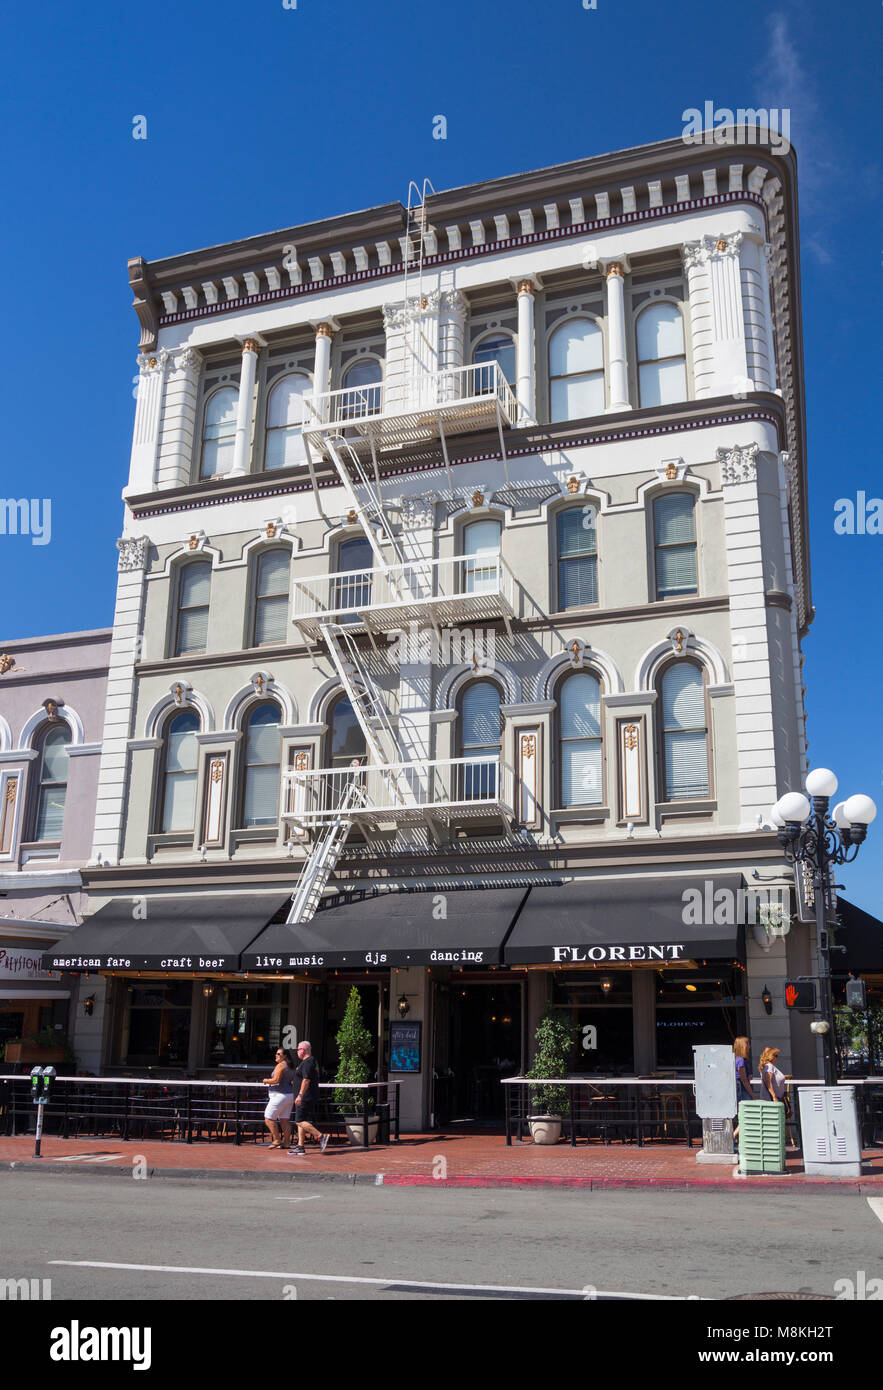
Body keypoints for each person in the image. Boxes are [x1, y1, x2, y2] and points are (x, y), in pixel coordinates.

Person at [288, 1040, 329, 1155]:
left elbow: (306, 1080)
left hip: (305, 1097)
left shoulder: (308, 1062)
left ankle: (321, 1136)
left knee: (300, 1120)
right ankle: (300, 1146)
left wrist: (300, 1095)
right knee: (301, 1121)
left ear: (304, 1050)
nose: (297, 1051)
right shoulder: (307, 1062)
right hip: (303, 1096)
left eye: (298, 1049)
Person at [262, 1047, 296, 1149]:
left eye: (279, 1054)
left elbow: (276, 1080)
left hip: (279, 1095)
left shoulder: (280, 1066)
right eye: (276, 1054)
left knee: (268, 1118)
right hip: (289, 1095)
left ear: (285, 1056)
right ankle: (286, 1142)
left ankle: (277, 1139)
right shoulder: (290, 1066)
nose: (276, 1055)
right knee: (285, 1120)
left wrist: (266, 1080)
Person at [759, 1046, 791, 1115]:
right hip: (771, 1100)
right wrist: (774, 1096)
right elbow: (768, 1081)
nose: (777, 1058)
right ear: (771, 1056)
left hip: (775, 1099)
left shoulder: (769, 1066)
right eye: (776, 1055)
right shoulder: (769, 1066)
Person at [732, 1036, 753, 1140]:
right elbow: (744, 1079)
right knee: (747, 1115)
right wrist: (752, 1095)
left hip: (738, 1089)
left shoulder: (737, 1059)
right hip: (742, 1090)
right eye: (748, 1044)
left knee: (742, 1116)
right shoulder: (740, 1060)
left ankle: (735, 1138)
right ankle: (733, 1137)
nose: (749, 1046)